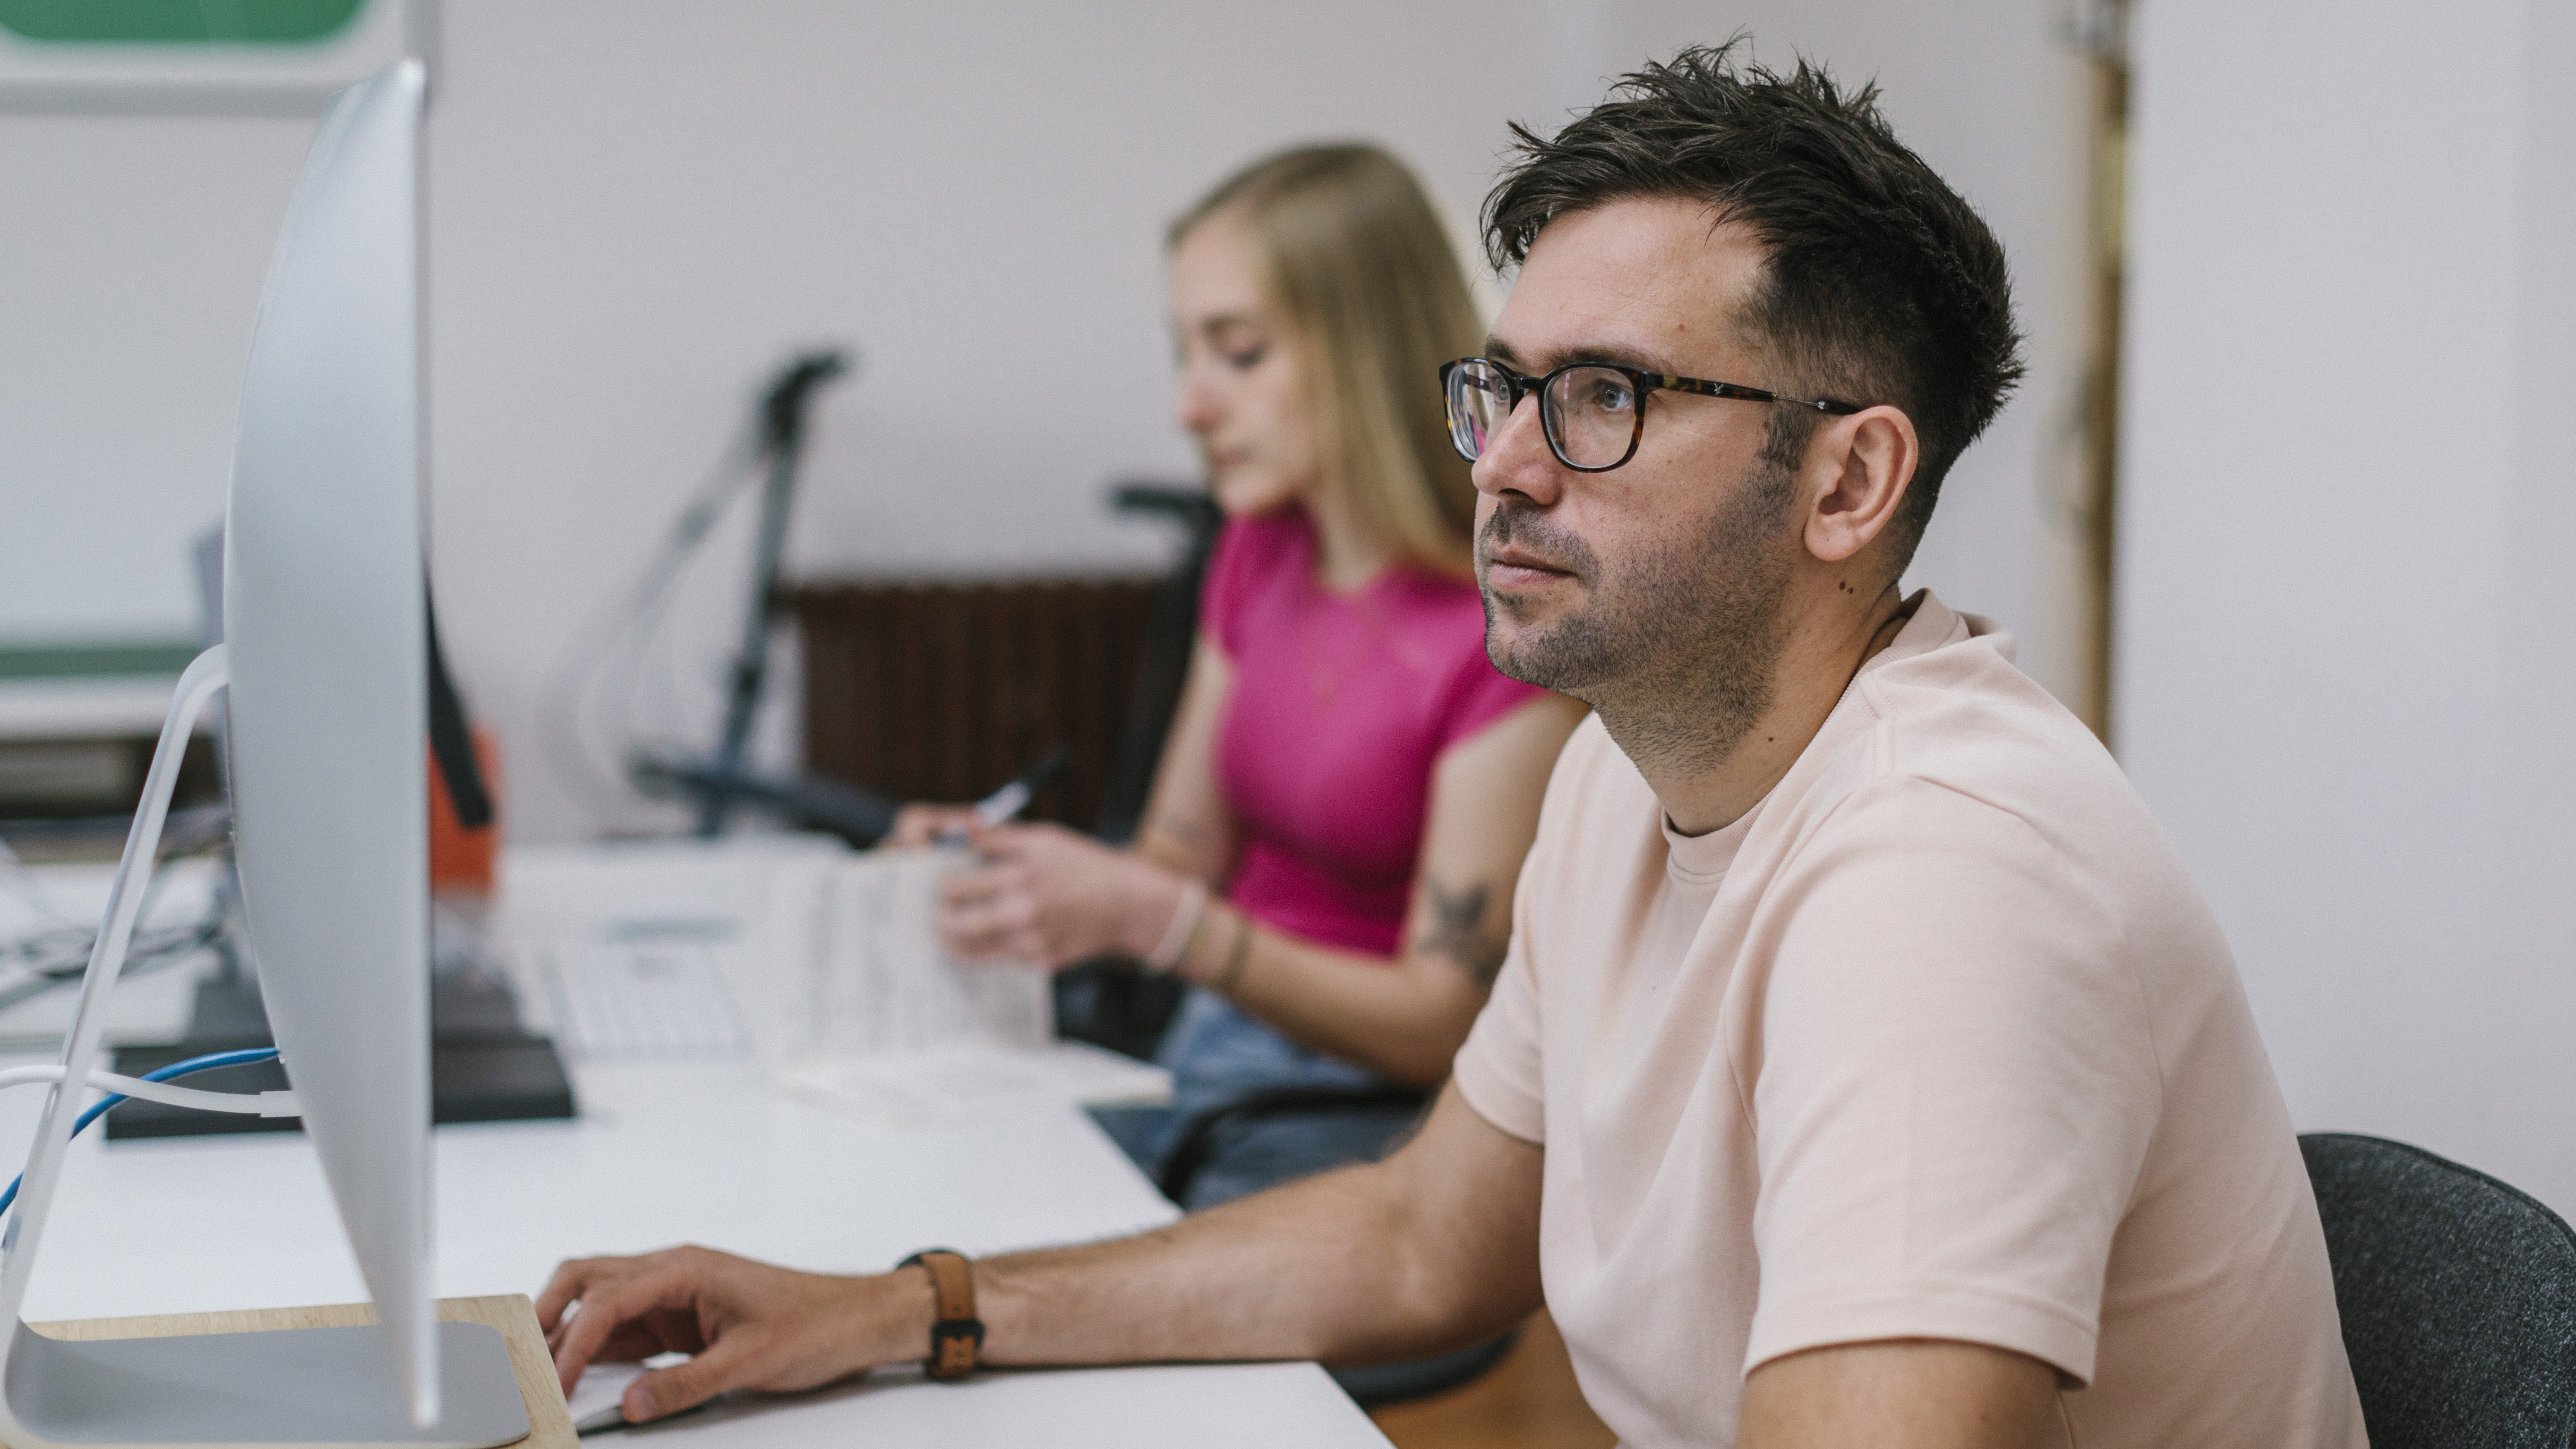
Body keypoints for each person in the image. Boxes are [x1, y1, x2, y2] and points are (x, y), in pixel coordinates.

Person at [541, 47, 2366, 1448]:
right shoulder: (1623, 768)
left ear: (1847, 479)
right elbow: (1428, 1240)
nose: (1497, 463)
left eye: (1602, 398)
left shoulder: (1948, 876)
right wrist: (896, 1307)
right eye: (1502, 387)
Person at [890, 145, 1584, 1223]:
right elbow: (1175, 857)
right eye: (1187, 354)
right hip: (1208, 1056)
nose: (1190, 407)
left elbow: (1444, 1020)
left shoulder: (1506, 625)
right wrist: (1011, 873)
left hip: (1363, 1118)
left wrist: (1169, 926)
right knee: (934, 1208)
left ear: (1369, 352)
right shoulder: (1259, 552)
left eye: (1241, 353)